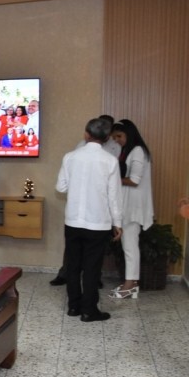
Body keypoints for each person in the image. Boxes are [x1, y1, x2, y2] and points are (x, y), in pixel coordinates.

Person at [56, 118, 122, 322]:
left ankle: (73, 306)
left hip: (73, 221)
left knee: (73, 265)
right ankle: (89, 310)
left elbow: (60, 187)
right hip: (98, 222)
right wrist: (118, 223)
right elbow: (114, 196)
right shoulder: (110, 161)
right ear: (107, 137)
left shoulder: (70, 157)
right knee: (92, 268)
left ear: (86, 134)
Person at [109, 120, 154, 299]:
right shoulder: (131, 150)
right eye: (114, 138)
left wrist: (112, 179)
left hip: (133, 205)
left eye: (119, 136)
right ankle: (131, 283)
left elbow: (134, 180)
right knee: (128, 244)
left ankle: (130, 284)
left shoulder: (138, 151)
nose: (117, 140)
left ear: (129, 133)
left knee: (129, 246)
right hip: (128, 203)